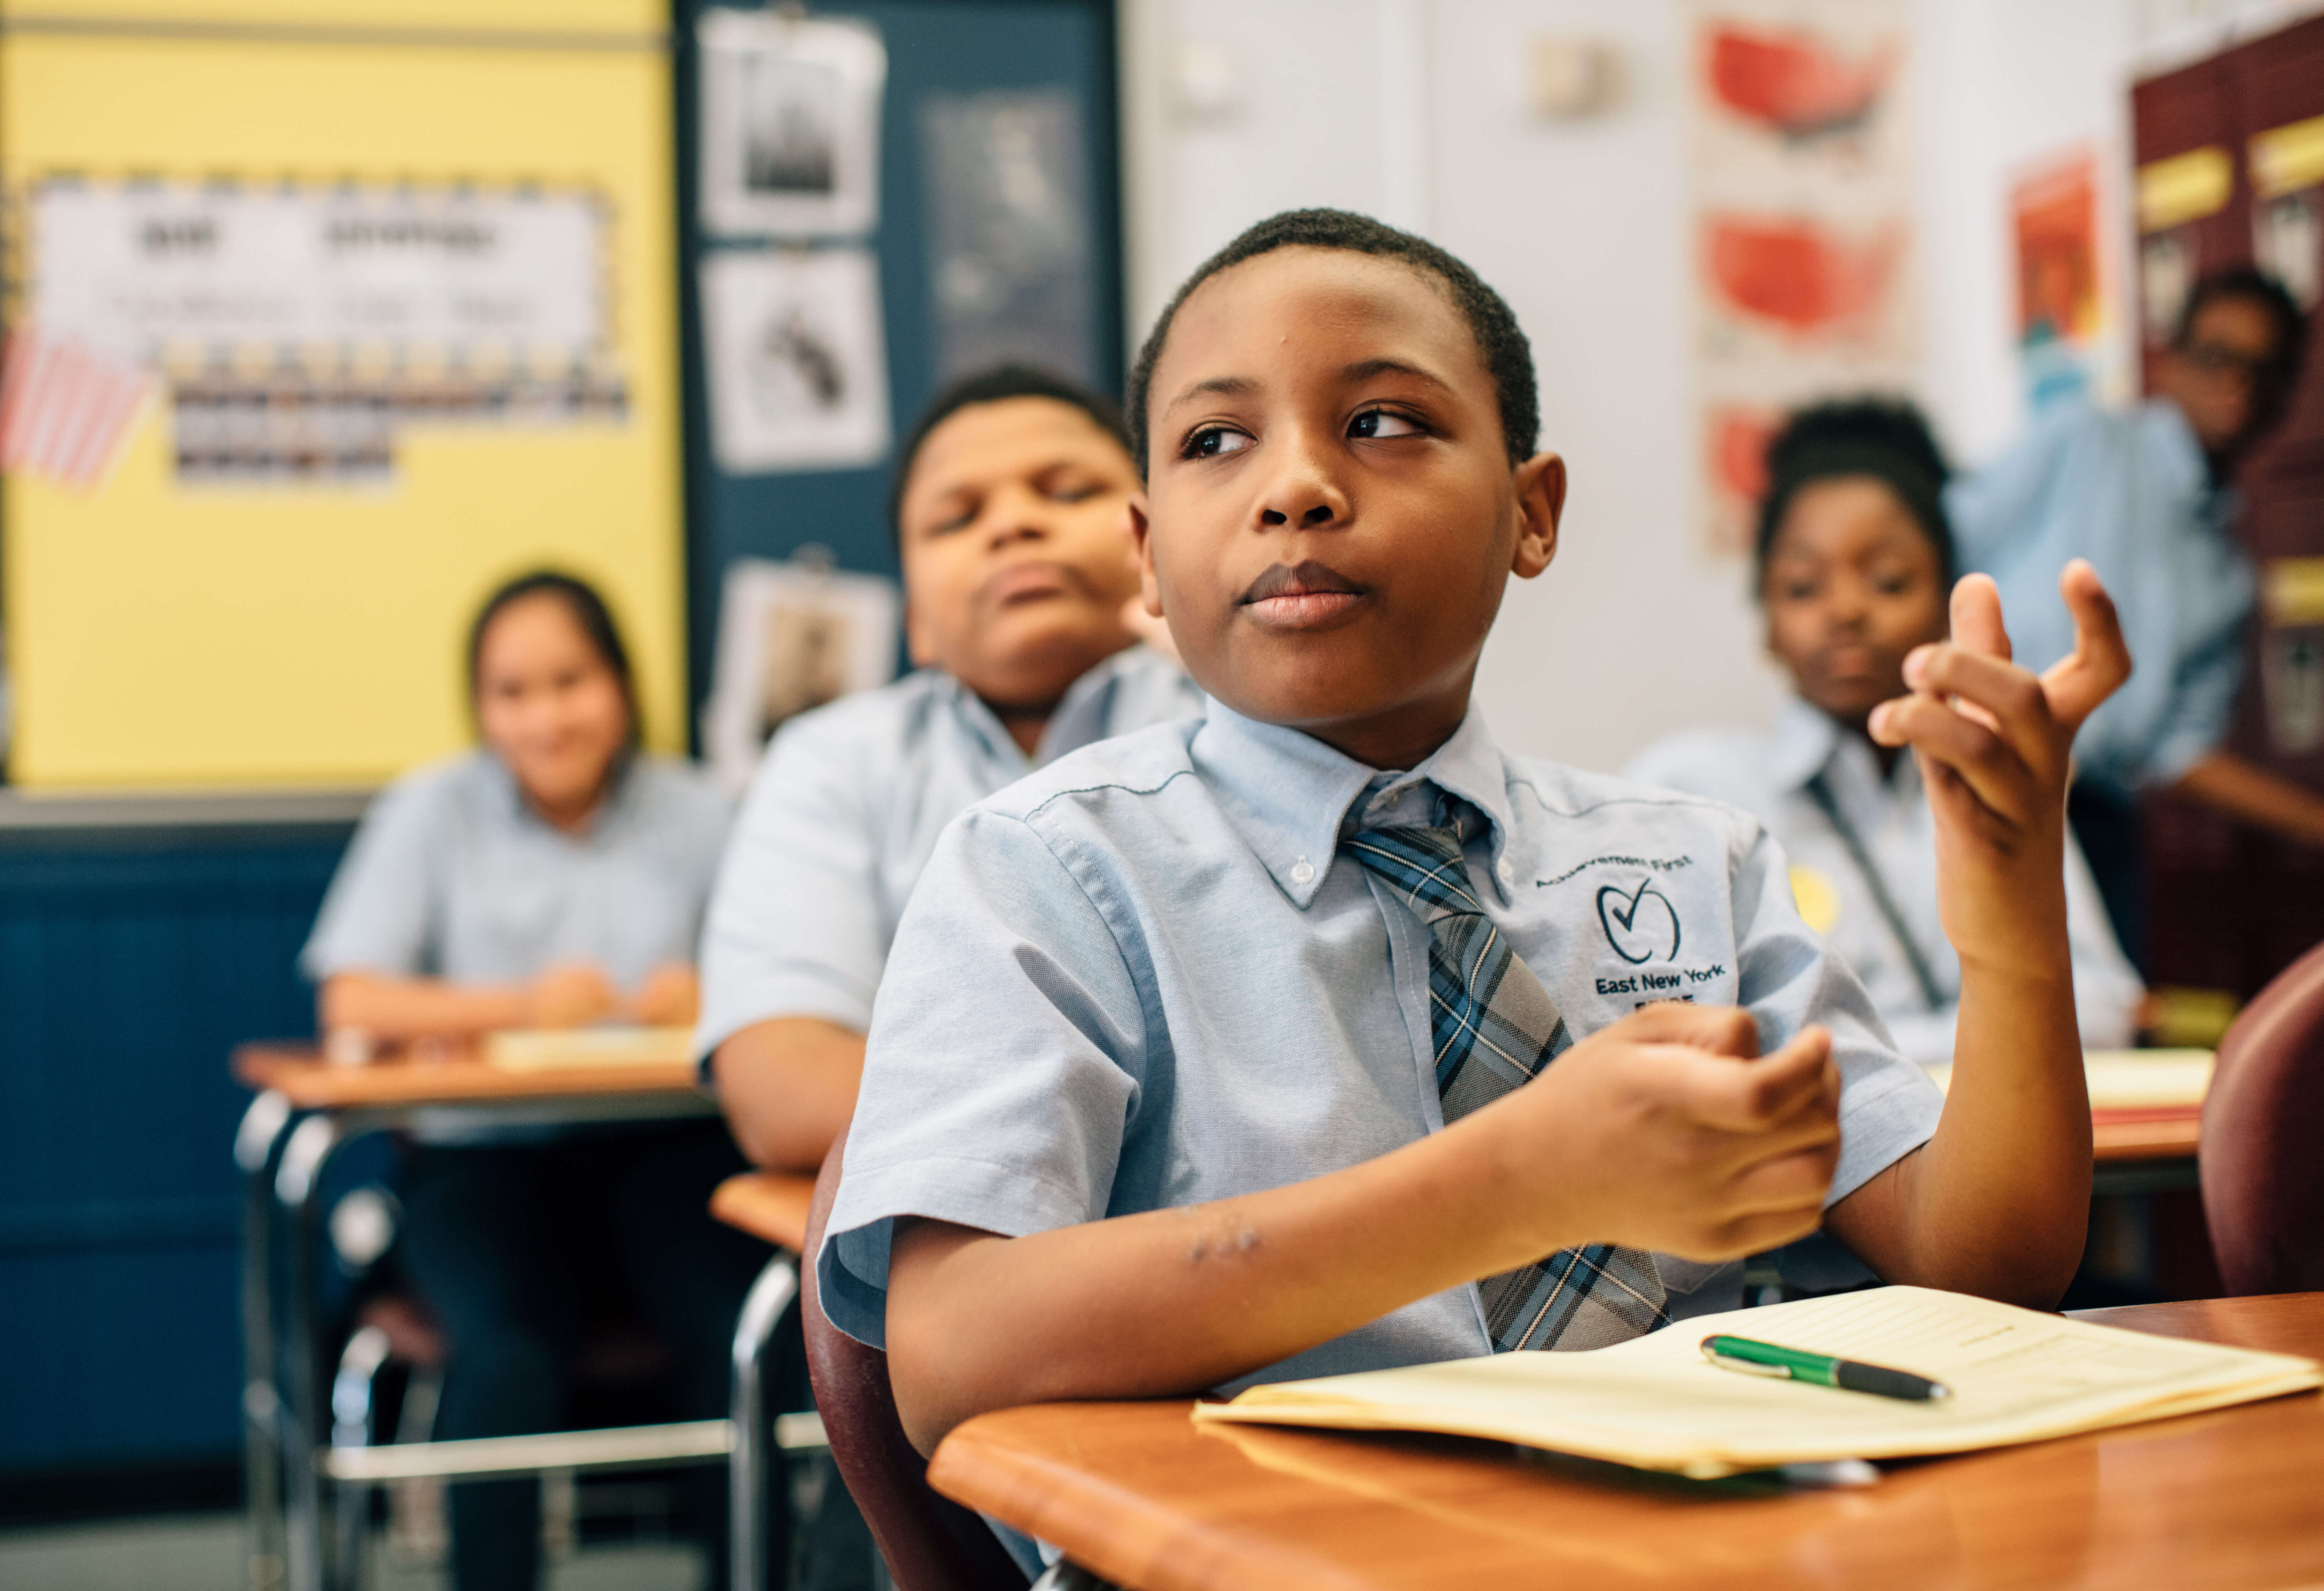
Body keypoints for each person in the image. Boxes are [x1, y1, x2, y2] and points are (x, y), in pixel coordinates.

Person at [815, 211, 2131, 1517]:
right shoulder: (1047, 871)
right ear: (1148, 560)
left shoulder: (1693, 864)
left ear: (1531, 513)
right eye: (1218, 441)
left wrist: (2011, 919)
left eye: (1383, 421)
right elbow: (951, 1355)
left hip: (1678, 1546)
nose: (1296, 487)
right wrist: (1515, 1185)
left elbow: (1983, 1265)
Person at [303, 571, 758, 1591]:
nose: (546, 716)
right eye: (513, 692)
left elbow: (783, 980)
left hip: (665, 1154)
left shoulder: (700, 810)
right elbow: (354, 1003)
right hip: (483, 1164)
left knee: (741, 1336)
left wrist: (716, 989)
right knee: (504, 1353)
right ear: (481, 708)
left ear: (623, 688)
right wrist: (516, 1006)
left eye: (571, 681)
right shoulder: (433, 809)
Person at [696, 365, 1203, 1173]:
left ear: (1153, 544)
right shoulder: (834, 762)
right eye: (957, 517)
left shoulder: (1242, 719)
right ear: (917, 624)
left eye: (1067, 491)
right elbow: (780, 1084)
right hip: (949, 1255)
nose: (1015, 525)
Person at [1629, 398, 2143, 1066]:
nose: (1845, 610)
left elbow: (2104, 1008)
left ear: (1946, 601)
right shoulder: (1689, 791)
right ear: (1766, 621)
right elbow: (1673, 1039)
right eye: (1804, 587)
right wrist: (1980, 1042)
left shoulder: (1995, 776)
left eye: (1889, 581)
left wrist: (1837, 1051)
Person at [1949, 266, 2317, 962]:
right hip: (1979, 779)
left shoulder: (2227, 575)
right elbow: (1939, 540)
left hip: (2092, 818)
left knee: (2105, 1026)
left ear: (2288, 394)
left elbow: (2174, 751)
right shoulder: (2083, 438)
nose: (2238, 382)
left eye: (2265, 369)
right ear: (2170, 358)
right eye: (2217, 355)